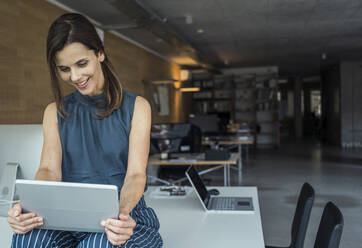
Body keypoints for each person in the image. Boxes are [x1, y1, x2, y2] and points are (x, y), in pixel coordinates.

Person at [6, 13, 162, 247]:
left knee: (98, 244)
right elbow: (49, 170)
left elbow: (136, 175)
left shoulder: (138, 107)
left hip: (124, 214)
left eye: (81, 64)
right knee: (28, 239)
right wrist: (28, 209)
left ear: (100, 53)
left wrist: (120, 215)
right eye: (64, 69)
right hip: (69, 215)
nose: (75, 77)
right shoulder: (54, 112)